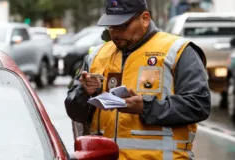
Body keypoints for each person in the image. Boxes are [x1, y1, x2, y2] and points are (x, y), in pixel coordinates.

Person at [64, 0, 211, 159]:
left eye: (122, 25)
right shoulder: (97, 56)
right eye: (111, 26)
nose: (115, 33)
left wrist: (146, 107)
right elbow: (75, 113)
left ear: (145, 18)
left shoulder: (178, 51)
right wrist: (84, 93)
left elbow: (199, 105)